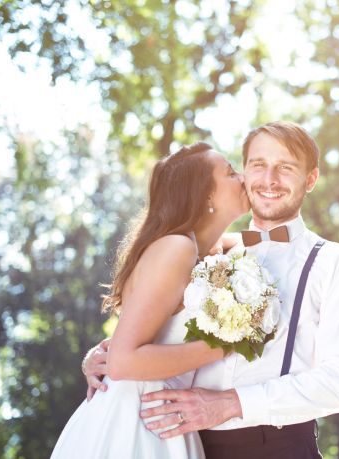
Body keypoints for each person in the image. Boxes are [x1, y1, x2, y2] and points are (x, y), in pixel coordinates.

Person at [84, 121, 339, 458]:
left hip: (276, 446)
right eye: (257, 165)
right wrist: (100, 356)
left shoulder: (335, 262)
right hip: (184, 443)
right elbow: (149, 328)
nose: (269, 179)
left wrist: (230, 404)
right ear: (245, 173)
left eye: (286, 168)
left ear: (310, 179)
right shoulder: (204, 252)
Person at [51, 142, 250, 458]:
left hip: (159, 413)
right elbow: (123, 361)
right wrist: (222, 346)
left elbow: (278, 240)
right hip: (137, 421)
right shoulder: (177, 248)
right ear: (206, 196)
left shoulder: (205, 251)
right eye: (230, 172)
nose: (243, 177)